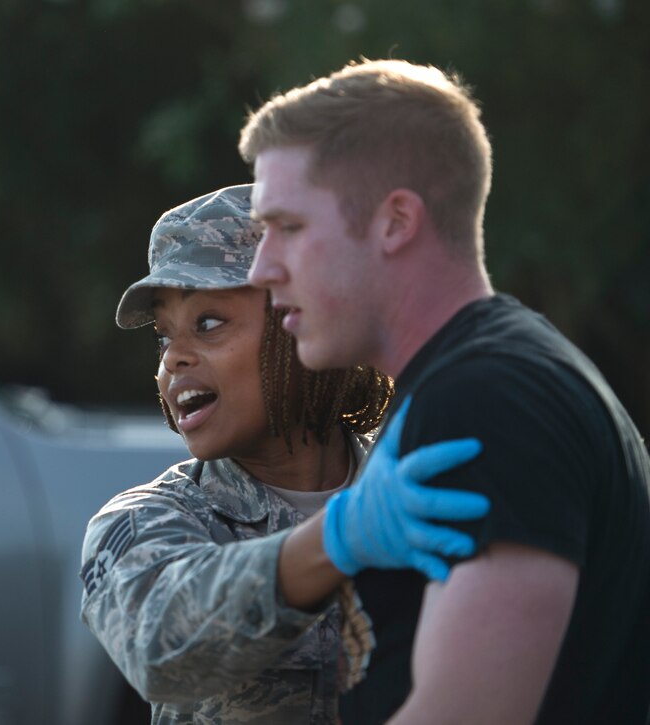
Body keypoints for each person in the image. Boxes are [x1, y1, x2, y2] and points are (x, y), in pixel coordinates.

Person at [240, 59, 650, 723]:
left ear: (396, 221)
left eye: (287, 226)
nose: (262, 268)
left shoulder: (490, 399)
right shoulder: (483, 378)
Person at [80, 184, 489, 725]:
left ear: (305, 319)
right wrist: (340, 537)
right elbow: (162, 651)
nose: (174, 359)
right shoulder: (144, 520)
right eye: (162, 338)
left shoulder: (418, 484)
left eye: (208, 323)